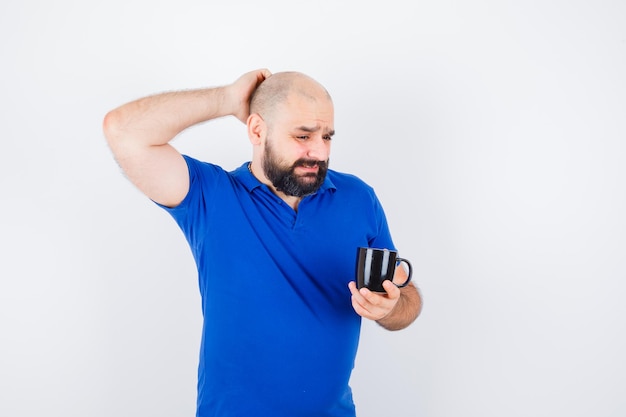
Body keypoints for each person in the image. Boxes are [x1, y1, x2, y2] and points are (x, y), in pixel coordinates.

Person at [103, 69, 422, 417]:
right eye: (303, 136)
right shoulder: (211, 196)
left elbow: (405, 298)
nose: (318, 151)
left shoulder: (359, 199)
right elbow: (123, 132)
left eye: (327, 136)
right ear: (257, 130)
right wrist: (226, 99)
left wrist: (391, 307)